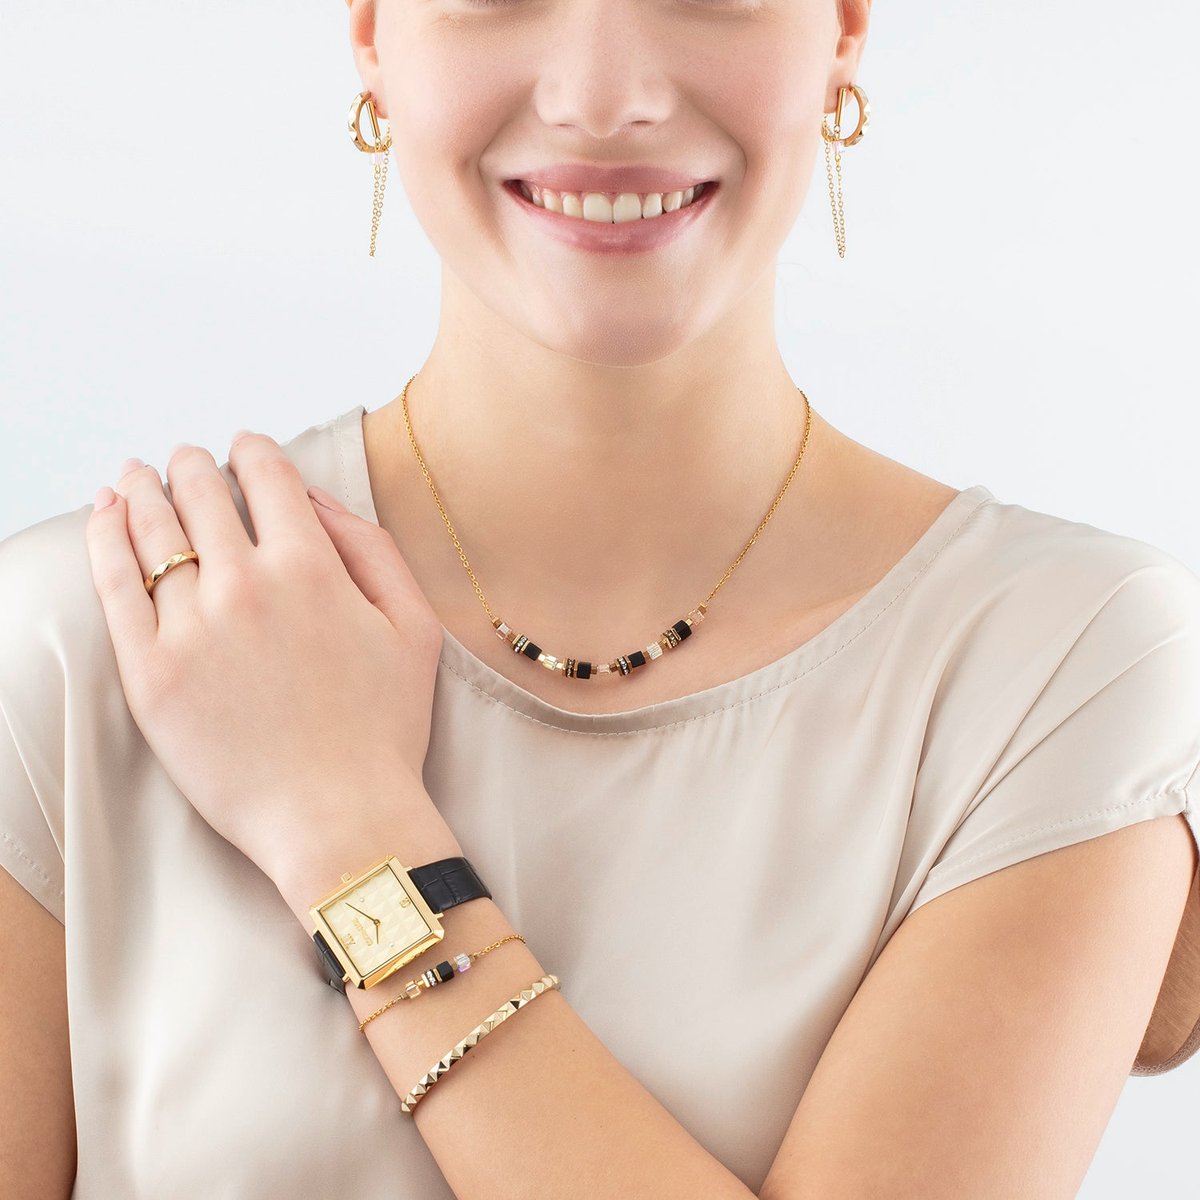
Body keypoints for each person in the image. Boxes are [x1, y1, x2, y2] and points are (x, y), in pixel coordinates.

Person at [3, 1, 1199, 1197]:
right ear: (372, 34)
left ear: (842, 28)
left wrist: (350, 832)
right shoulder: (84, 642)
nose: (602, 98)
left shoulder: (1063, 667)